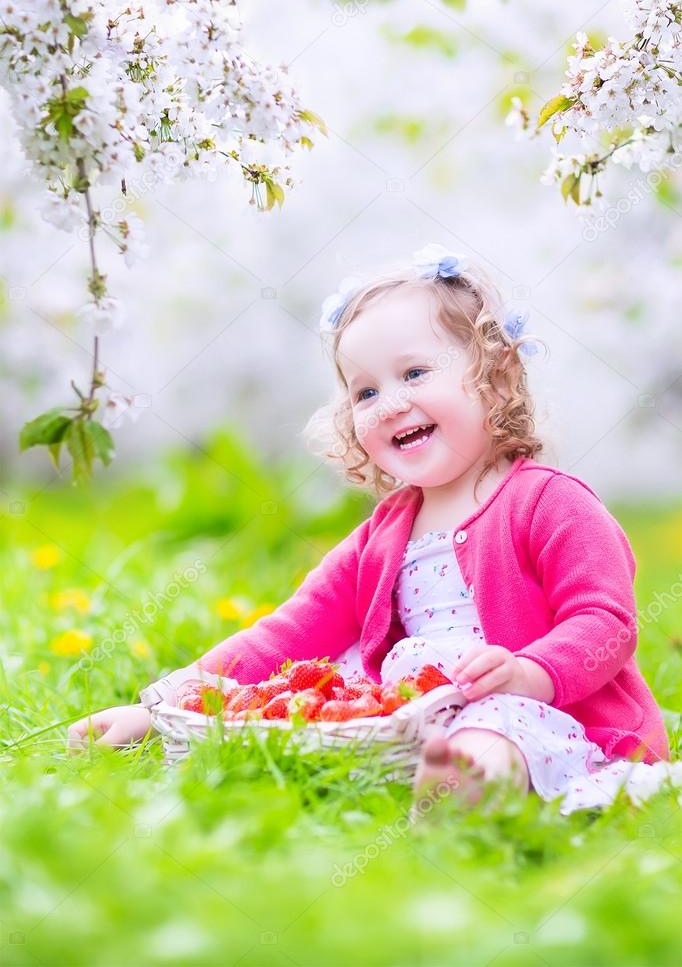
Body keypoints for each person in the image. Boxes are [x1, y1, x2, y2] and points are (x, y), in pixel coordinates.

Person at [68, 243, 677, 814]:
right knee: (321, 697)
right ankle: (412, 773)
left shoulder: (548, 502)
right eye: (364, 391)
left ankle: (470, 789)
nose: (388, 403)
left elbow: (605, 622)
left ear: (494, 377)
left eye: (414, 374)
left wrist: (528, 672)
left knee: (495, 733)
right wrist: (161, 705)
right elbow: (290, 632)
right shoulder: (384, 535)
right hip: (408, 716)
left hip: (541, 711)